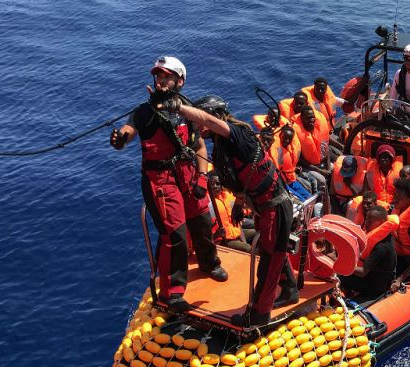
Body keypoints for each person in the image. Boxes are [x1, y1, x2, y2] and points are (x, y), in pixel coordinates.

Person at [157, 94, 299, 326]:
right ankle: (289, 288)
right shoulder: (222, 147)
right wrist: (241, 203)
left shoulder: (237, 134)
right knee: (270, 251)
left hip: (275, 205)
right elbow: (246, 176)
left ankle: (259, 314)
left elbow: (211, 122)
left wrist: (179, 108)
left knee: (270, 260)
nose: (199, 127)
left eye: (203, 121)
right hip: (263, 206)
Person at [109, 56, 227, 314]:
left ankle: (209, 263)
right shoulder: (144, 112)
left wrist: (202, 177)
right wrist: (119, 139)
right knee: (174, 235)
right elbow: (127, 134)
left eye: (167, 76)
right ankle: (172, 293)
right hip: (160, 181)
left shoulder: (187, 109)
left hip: (187, 174)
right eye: (159, 76)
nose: (161, 80)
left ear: (180, 81)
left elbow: (197, 145)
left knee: (203, 221)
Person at [337, 205, 397, 302]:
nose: (366, 224)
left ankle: (343, 296)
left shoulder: (381, 247)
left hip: (374, 286)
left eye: (370, 222)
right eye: (366, 220)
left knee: (339, 275)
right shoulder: (386, 236)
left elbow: (362, 273)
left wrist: (340, 264)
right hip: (374, 276)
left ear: (381, 222)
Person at [269, 125, 312, 201]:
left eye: (289, 139)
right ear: (280, 135)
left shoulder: (290, 149)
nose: (287, 141)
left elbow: (288, 165)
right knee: (302, 200)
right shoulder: (275, 150)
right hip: (283, 183)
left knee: (309, 197)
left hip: (291, 179)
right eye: (284, 138)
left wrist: (295, 168)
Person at [291, 106, 331, 188]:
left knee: (337, 168)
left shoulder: (318, 128)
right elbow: (301, 160)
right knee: (322, 180)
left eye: (313, 117)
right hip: (309, 167)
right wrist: (321, 171)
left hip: (323, 163)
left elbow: (326, 149)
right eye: (308, 118)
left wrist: (329, 168)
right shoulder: (297, 135)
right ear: (302, 119)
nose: (312, 120)